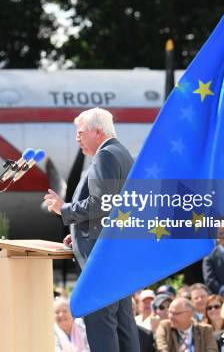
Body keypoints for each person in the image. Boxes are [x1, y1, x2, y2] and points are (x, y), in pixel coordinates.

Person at [44, 108, 140, 352]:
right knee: (122, 324)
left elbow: (99, 203)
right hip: (116, 252)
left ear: (98, 132)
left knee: (101, 324)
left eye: (80, 132)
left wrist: (62, 209)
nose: (77, 138)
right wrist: (78, 233)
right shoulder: (122, 154)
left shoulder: (106, 156)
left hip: (101, 258)